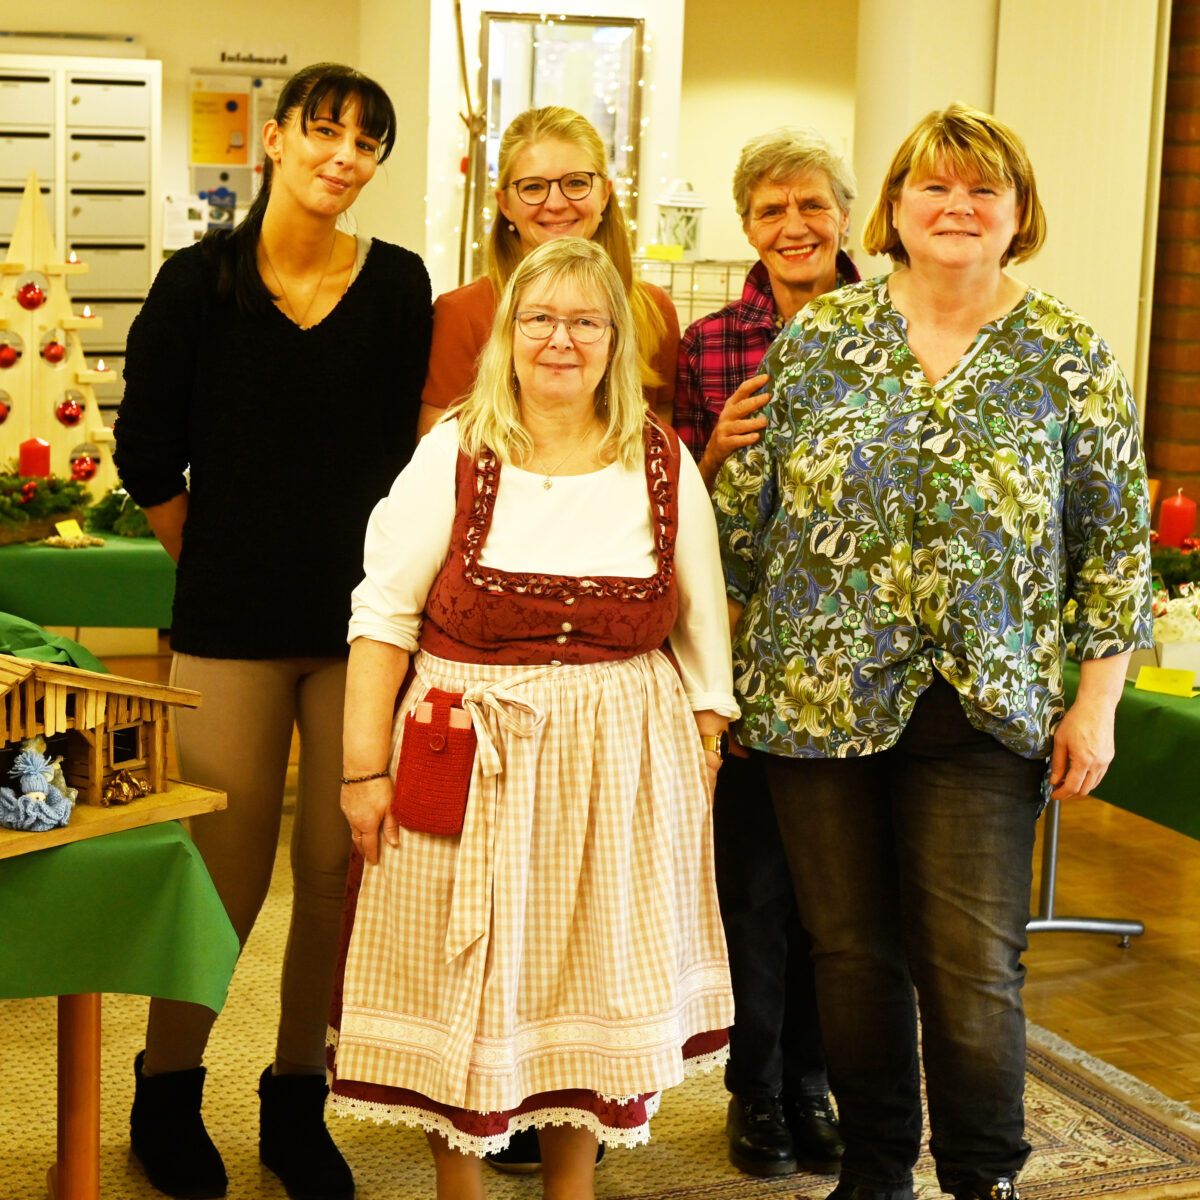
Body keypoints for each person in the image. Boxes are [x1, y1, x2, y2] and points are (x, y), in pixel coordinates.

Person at [713, 103, 1153, 1200]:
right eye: (932, 188)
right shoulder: (819, 340)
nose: (957, 207)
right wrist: (713, 683)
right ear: (897, 212)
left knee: (968, 971)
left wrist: (1095, 702)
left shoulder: (1066, 354)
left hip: (985, 707)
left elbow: (1114, 543)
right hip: (817, 698)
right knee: (850, 956)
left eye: (982, 190)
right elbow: (741, 522)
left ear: (1018, 215)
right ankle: (874, 1176)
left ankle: (981, 1179)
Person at [327, 236, 737, 1200]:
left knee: (591, 985)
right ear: (507, 335)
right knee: (454, 989)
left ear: (616, 341)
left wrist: (703, 749)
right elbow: (381, 616)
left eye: (586, 322)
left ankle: (572, 1191)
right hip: (464, 755)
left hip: (619, 764)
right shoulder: (456, 450)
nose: (562, 340)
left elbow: (702, 625)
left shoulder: (662, 461)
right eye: (540, 318)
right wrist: (359, 773)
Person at [113, 62, 432, 1200]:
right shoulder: (196, 284)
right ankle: (168, 1091)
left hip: (360, 626)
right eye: (327, 132)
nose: (344, 157)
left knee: (339, 871)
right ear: (279, 141)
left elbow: (410, 458)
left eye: (367, 143)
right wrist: (216, 558)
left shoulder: (399, 285)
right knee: (222, 872)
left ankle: (300, 1098)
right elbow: (145, 450)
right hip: (232, 625)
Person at [673, 126, 858, 1179]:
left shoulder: (894, 327)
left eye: (812, 205)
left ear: (843, 214)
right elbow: (675, 513)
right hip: (747, 652)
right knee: (751, 888)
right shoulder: (710, 345)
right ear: (747, 225)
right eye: (772, 210)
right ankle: (756, 1092)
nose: (794, 226)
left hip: (862, 664)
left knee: (840, 900)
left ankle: (816, 1086)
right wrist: (713, 451)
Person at [418, 105, 679, 438]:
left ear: (604, 194)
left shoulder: (654, 311)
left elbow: (661, 445)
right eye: (533, 187)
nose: (555, 203)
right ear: (504, 204)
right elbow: (440, 462)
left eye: (575, 182)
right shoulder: (461, 314)